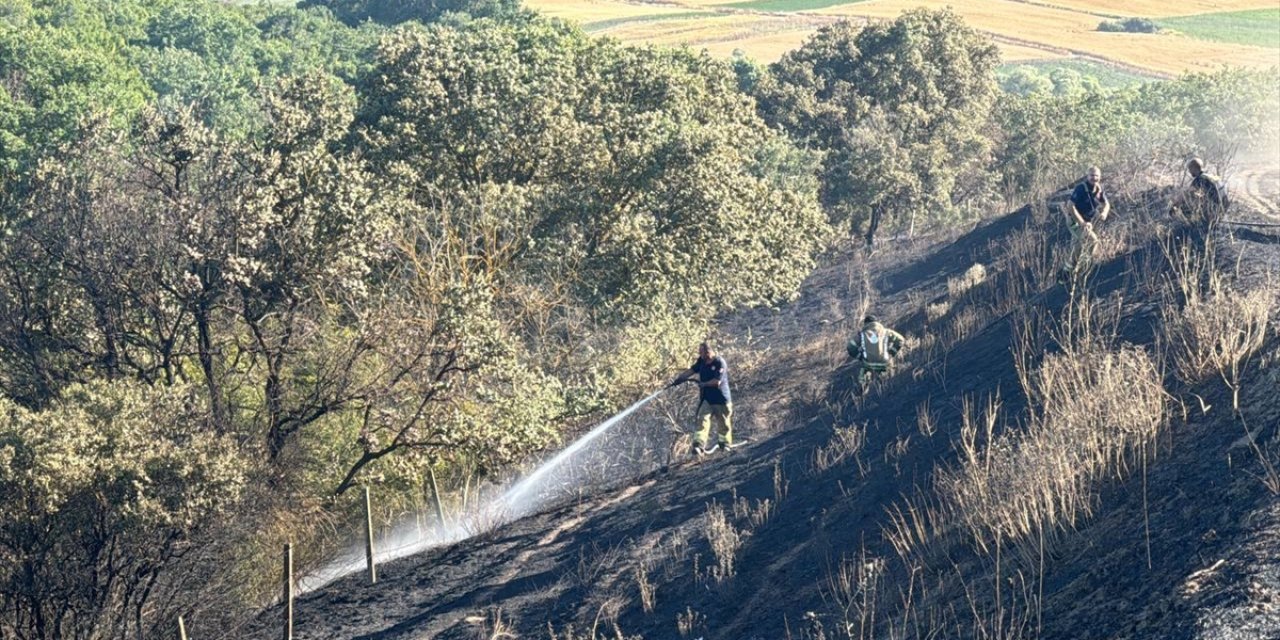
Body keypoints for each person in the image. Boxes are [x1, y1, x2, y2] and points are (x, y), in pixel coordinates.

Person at [670, 341, 733, 455]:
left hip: (721, 399)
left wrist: (704, 384)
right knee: (702, 418)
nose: (699, 354)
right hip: (707, 399)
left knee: (723, 422)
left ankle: (725, 445)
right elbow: (692, 370)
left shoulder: (719, 363)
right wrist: (679, 379)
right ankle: (698, 445)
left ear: (708, 352)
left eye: (701, 352)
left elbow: (716, 382)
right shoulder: (702, 361)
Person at [1058, 166, 1110, 285]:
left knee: (1079, 245)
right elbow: (1070, 206)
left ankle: (1067, 271)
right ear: (1087, 176)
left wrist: (1104, 213)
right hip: (1075, 221)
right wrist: (1082, 223)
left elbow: (1106, 204)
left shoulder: (1099, 189)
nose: (1094, 178)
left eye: (1096, 175)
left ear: (1100, 177)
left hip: (1088, 222)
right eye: (1092, 175)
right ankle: (1081, 268)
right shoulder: (1081, 188)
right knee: (1093, 241)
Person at [847, 315, 905, 396]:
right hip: (884, 361)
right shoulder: (886, 332)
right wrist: (892, 353)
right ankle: (885, 389)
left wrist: (859, 356)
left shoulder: (862, 334)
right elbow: (901, 340)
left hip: (868, 363)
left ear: (866, 324)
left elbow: (850, 346)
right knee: (886, 376)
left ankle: (862, 391)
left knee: (864, 373)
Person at [1171, 157, 1229, 228]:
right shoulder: (1210, 176)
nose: (1189, 171)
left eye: (1190, 169)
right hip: (1223, 207)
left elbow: (1185, 194)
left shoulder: (1200, 179)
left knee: (1186, 203)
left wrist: (1174, 207)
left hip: (1214, 209)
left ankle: (1192, 226)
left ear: (1194, 168)